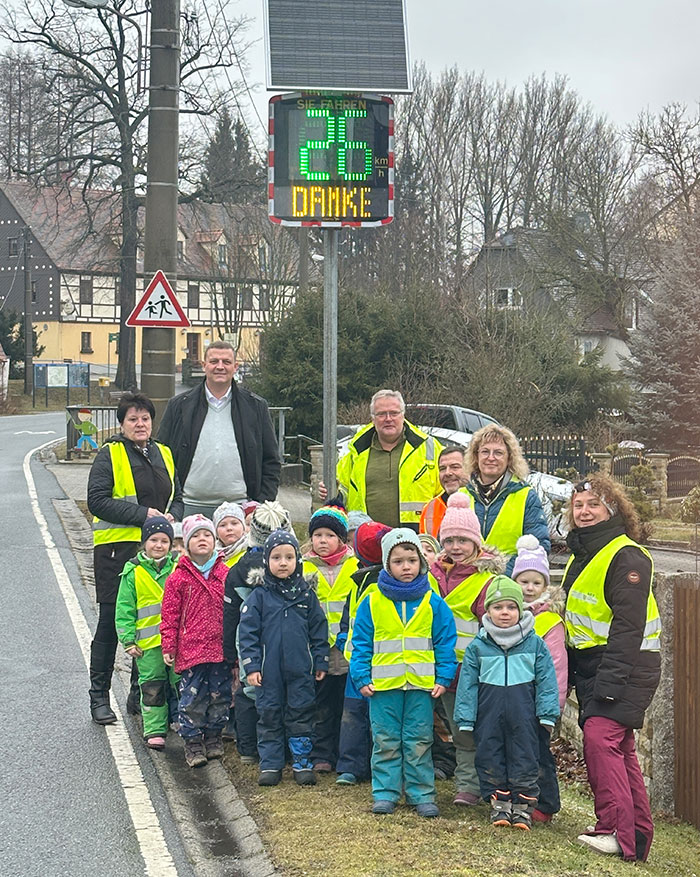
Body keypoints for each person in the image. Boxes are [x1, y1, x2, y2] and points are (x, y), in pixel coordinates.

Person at [563, 475, 661, 862]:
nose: (584, 512)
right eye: (578, 506)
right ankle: (635, 837)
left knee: (600, 740)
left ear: (612, 509)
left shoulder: (627, 555)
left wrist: (609, 682)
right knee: (621, 747)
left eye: (593, 505)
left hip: (624, 664)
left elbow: (628, 626)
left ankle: (614, 831)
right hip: (595, 664)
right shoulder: (583, 553)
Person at [87, 392, 183, 725]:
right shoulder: (109, 455)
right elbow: (97, 500)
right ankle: (98, 696)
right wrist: (144, 515)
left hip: (155, 555)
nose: (139, 424)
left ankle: (138, 694)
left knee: (151, 624)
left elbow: (178, 497)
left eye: (144, 418)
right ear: (122, 423)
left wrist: (173, 520)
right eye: (132, 419)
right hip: (117, 552)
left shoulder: (164, 453)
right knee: (112, 624)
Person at [350, 529, 457, 817]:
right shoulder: (371, 602)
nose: (406, 566)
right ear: (387, 564)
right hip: (382, 687)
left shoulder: (434, 603)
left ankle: (421, 793)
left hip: (421, 687)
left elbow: (446, 642)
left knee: (419, 740)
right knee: (385, 740)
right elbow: (360, 642)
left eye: (412, 560)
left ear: (421, 563)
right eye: (398, 561)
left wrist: (444, 677)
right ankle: (385, 792)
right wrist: (360, 677)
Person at [454, 576, 560, 830]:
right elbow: (467, 685)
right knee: (490, 757)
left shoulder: (535, 644)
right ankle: (499, 804)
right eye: (498, 607)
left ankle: (523, 808)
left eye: (511, 607)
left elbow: (547, 681)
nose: (505, 613)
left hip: (524, 717)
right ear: (487, 610)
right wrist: (466, 718)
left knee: (525, 759)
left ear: (521, 609)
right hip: (488, 716)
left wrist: (547, 714)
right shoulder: (478, 647)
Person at [429, 492, 505, 806]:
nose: (456, 547)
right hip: (437, 669)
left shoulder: (485, 580)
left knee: (470, 730)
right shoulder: (431, 574)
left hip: (472, 672)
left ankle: (474, 786)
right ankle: (466, 783)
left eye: (463, 540)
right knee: (450, 728)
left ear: (476, 543)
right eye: (449, 541)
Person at [238, 530, 330, 787]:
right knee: (269, 713)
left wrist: (320, 659)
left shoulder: (306, 596)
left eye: (289, 557)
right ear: (266, 561)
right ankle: (270, 763)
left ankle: (302, 762)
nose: (283, 562)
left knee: (301, 712)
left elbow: (319, 629)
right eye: (276, 557)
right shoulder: (259, 597)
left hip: (300, 669)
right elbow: (248, 635)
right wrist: (252, 667)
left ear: (297, 561)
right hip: (268, 671)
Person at [157, 340, 281, 517]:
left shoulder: (255, 407)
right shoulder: (178, 406)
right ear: (204, 365)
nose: (220, 367)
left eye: (226, 362)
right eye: (214, 361)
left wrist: (261, 505)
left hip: (241, 511)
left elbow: (271, 461)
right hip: (187, 508)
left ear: (236, 366)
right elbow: (161, 457)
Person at [222, 501, 293, 763]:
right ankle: (282, 747)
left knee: (249, 690)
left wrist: (230, 653)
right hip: (285, 641)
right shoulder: (293, 565)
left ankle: (248, 747)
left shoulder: (238, 570)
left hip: (248, 643)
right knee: (282, 691)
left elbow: (230, 615)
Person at [160, 515, 231, 768]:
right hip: (191, 650)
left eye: (207, 535)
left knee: (220, 695)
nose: (202, 540)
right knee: (192, 698)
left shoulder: (225, 573)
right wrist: (169, 644)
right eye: (196, 536)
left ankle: (214, 737)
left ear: (215, 541)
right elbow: (169, 614)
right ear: (187, 543)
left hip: (219, 648)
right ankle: (192, 741)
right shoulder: (178, 578)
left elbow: (233, 611)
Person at [513, 534, 567, 823]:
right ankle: (520, 798)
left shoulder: (549, 621)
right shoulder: (509, 615)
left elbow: (557, 666)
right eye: (524, 581)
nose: (530, 588)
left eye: (537, 582)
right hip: (514, 698)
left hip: (538, 700)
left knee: (539, 754)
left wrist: (552, 705)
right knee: (519, 751)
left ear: (546, 586)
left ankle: (545, 803)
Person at [302, 504, 360, 772]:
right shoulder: (303, 568)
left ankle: (344, 751)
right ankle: (322, 753)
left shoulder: (355, 566)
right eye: (317, 535)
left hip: (348, 649)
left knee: (346, 703)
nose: (322, 541)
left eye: (329, 535)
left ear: (341, 539)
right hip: (319, 651)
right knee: (321, 704)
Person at [333, 390, 443, 530]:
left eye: (394, 413)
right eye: (381, 414)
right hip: (365, 540)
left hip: (418, 540)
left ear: (403, 415)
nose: (388, 418)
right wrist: (328, 490)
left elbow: (446, 492)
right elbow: (341, 490)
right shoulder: (356, 451)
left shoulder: (429, 447)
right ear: (373, 418)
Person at [115, 516, 179, 750]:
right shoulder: (133, 572)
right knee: (152, 686)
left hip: (178, 642)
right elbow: (125, 608)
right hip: (147, 645)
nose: (159, 545)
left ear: (171, 544)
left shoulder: (178, 568)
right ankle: (154, 729)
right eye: (153, 540)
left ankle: (183, 722)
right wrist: (128, 639)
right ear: (144, 542)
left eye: (164, 541)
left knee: (181, 683)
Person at [335, 521, 391, 786]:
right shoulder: (359, 579)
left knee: (365, 714)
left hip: (378, 658)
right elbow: (350, 612)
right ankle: (351, 765)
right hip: (359, 657)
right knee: (355, 712)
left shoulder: (381, 581)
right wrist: (344, 637)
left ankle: (359, 765)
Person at [464, 424, 550, 575]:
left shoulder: (526, 496)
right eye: (485, 452)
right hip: (466, 586)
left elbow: (538, 547)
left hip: (508, 588)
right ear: (475, 456)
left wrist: (499, 577)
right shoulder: (462, 496)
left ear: (509, 457)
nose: (491, 458)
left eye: (498, 453)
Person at [419, 446, 471, 537]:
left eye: (455, 467)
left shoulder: (481, 504)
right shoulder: (430, 508)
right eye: (442, 469)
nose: (447, 473)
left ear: (471, 469)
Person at [213, 501, 247, 567]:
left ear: (243, 527)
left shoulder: (250, 552)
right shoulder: (210, 556)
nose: (229, 528)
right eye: (223, 525)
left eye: (234, 523)